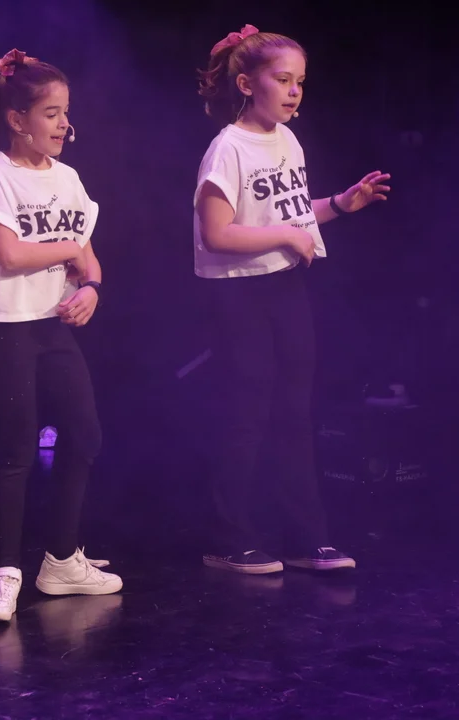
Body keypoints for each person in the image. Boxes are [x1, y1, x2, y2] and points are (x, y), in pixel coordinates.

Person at [194, 25, 390, 574]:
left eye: (299, 81)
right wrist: (285, 235)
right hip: (239, 292)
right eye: (282, 79)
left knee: (295, 413)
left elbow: (292, 216)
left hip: (284, 286)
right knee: (247, 413)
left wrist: (340, 205)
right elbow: (217, 233)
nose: (294, 90)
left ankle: (306, 538)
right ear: (245, 84)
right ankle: (228, 539)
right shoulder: (228, 148)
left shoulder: (286, 140)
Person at [0, 48, 123, 623]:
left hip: (52, 325)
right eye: (51, 114)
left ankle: (62, 559)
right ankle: (4, 571)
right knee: (15, 449)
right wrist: (69, 250)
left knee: (85, 433)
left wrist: (92, 287)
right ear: (17, 119)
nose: (63, 124)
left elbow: (88, 258)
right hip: (5, 326)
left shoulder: (68, 179)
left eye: (65, 113)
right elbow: (9, 254)